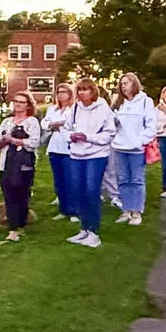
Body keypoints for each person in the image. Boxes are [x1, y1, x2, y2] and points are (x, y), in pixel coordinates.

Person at [66, 78, 116, 249]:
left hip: (96, 155)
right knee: (78, 191)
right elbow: (66, 128)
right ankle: (84, 228)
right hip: (76, 154)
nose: (81, 93)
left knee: (91, 190)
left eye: (86, 89)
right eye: (79, 89)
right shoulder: (74, 108)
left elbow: (109, 133)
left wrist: (89, 138)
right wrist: (71, 136)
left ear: (93, 91)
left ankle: (94, 231)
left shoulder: (103, 109)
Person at [0, 91, 42, 242]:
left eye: (21, 102)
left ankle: (20, 224)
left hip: (23, 164)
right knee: (9, 194)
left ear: (28, 105)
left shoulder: (32, 122)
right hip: (6, 163)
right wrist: (4, 140)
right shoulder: (7, 122)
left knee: (22, 194)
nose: (18, 104)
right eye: (16, 101)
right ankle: (13, 227)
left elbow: (34, 143)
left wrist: (15, 140)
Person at [110, 73, 157, 226]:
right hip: (119, 147)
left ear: (135, 84)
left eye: (127, 83)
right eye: (122, 83)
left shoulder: (145, 101)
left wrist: (140, 141)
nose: (124, 86)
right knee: (122, 180)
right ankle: (126, 210)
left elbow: (151, 126)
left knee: (137, 180)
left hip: (136, 148)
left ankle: (137, 211)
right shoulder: (119, 103)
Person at [42, 83, 80, 221]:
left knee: (71, 180)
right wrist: (56, 124)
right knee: (59, 180)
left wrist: (57, 124)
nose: (61, 94)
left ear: (70, 94)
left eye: (64, 92)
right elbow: (45, 124)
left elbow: (73, 124)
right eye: (59, 92)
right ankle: (64, 209)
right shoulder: (53, 109)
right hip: (55, 147)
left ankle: (74, 210)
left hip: (69, 148)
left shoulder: (75, 108)